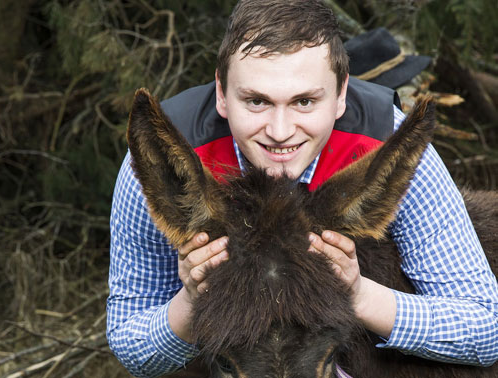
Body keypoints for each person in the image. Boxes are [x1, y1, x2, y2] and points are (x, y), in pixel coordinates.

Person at [106, 1, 498, 377]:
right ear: (222, 95)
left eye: (305, 101)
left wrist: (359, 294)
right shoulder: (162, 157)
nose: (280, 132)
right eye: (256, 101)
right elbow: (130, 344)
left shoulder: (384, 138)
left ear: (342, 94)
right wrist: (191, 303)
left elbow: (485, 328)